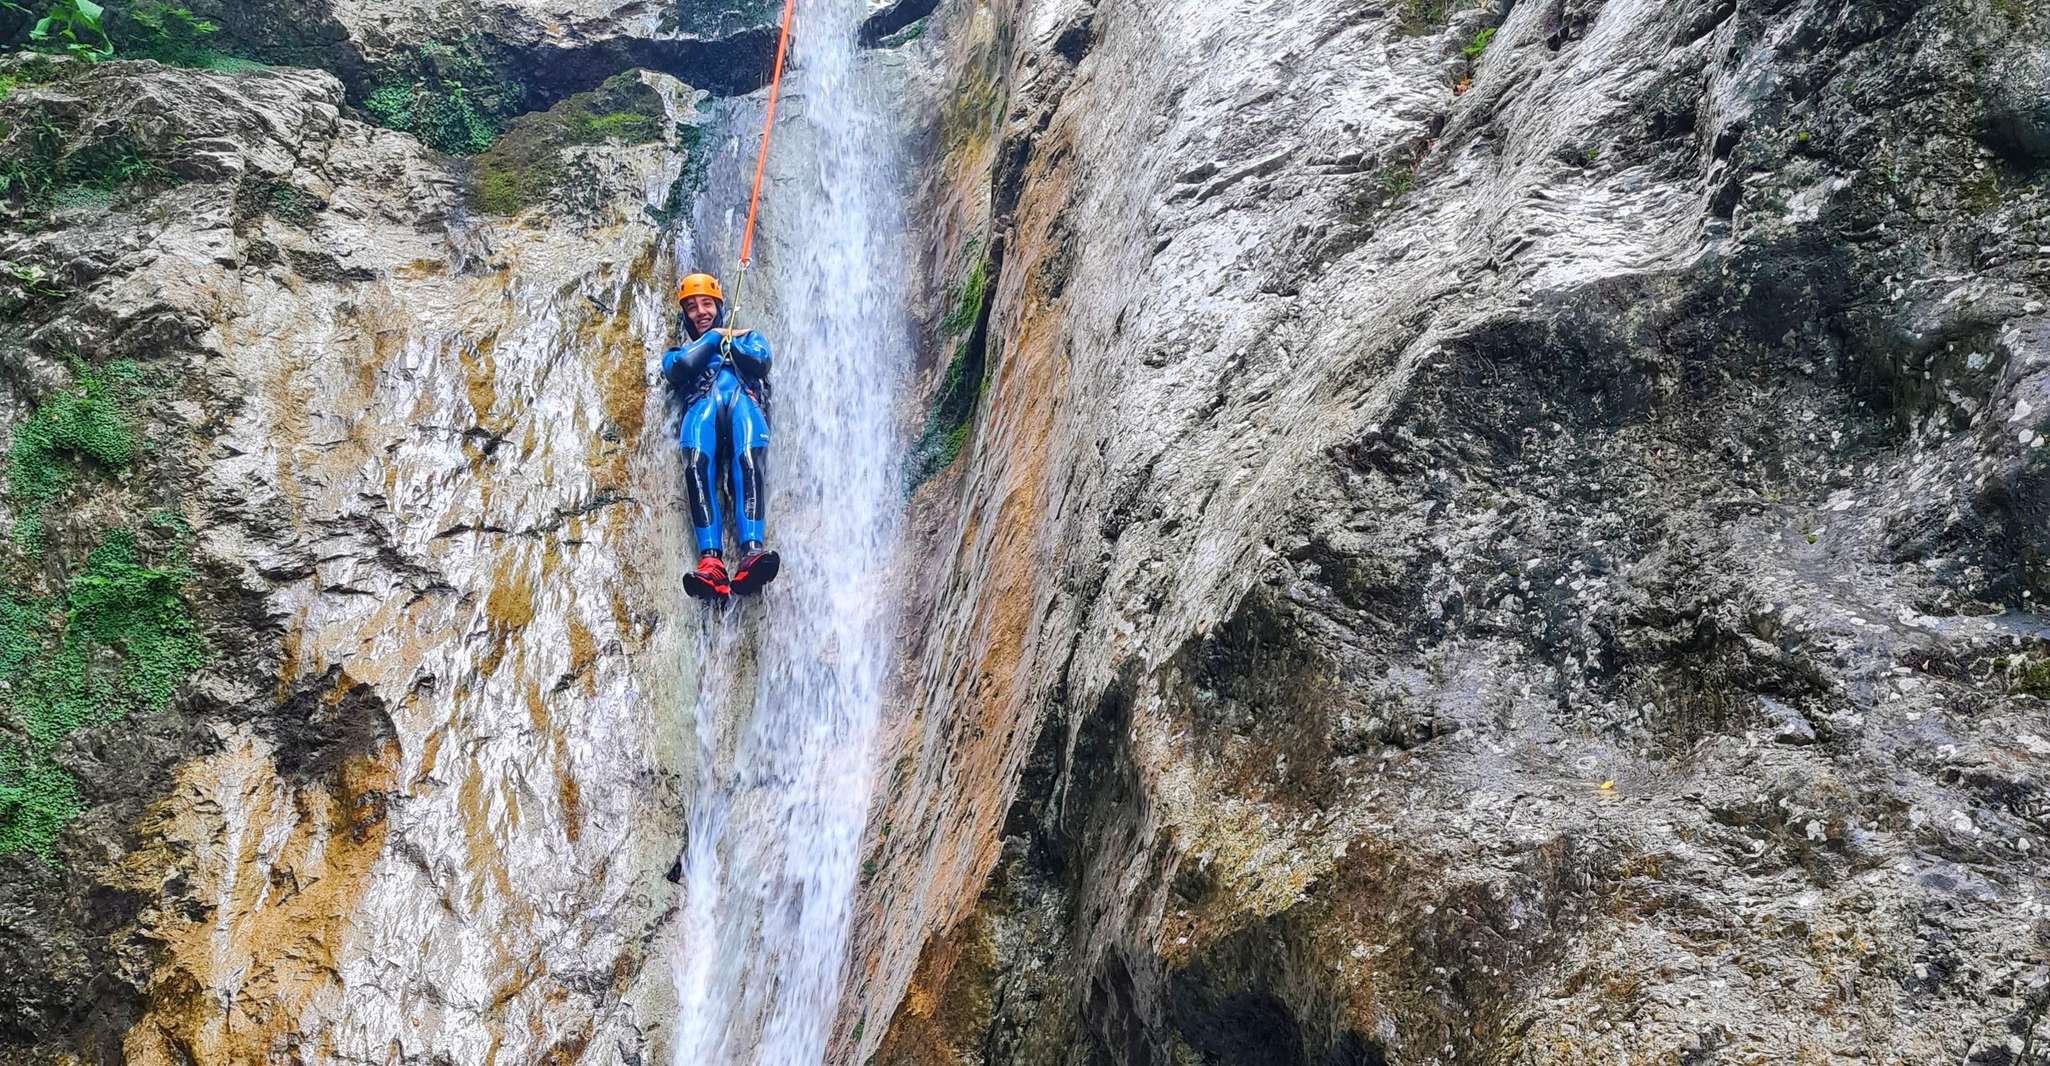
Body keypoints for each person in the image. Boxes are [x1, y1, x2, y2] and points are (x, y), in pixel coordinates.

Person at [661, 272, 780, 600]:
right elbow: (680, 368)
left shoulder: (750, 338)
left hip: (743, 400)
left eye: (706, 304)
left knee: (748, 459)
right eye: (692, 307)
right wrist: (716, 338)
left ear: (719, 305)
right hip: (703, 405)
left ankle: (752, 551)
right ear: (684, 316)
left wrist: (734, 345)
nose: (700, 311)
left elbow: (760, 363)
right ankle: (711, 562)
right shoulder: (676, 352)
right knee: (697, 463)